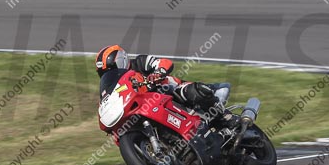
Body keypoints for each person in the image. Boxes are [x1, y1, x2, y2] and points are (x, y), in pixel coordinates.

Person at [94, 45, 231, 122]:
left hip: (167, 92)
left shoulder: (140, 63)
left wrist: (158, 73)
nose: (110, 73)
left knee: (184, 91)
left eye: (111, 69)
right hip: (147, 109)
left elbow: (164, 63)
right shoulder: (116, 87)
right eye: (104, 72)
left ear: (121, 59)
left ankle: (221, 114)